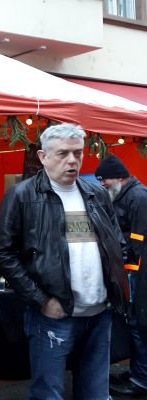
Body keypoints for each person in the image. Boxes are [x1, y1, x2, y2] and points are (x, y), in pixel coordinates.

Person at [0, 123, 128, 400]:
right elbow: (3, 253)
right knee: (48, 394)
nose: (72, 160)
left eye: (78, 153)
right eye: (63, 153)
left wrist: (113, 286)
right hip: (53, 317)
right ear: (43, 157)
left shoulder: (96, 194)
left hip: (99, 314)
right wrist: (42, 299)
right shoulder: (23, 196)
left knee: (96, 393)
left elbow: (117, 242)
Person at [96, 154, 147, 397]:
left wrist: (122, 254)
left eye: (104, 180)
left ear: (118, 177)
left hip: (138, 275)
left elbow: (139, 239)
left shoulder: (139, 197)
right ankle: (138, 374)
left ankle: (141, 381)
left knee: (139, 325)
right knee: (134, 325)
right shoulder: (124, 195)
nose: (102, 185)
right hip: (129, 273)